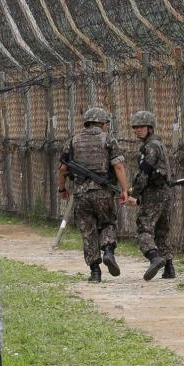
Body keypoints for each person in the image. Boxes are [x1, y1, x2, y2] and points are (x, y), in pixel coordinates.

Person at [58, 106, 131, 283]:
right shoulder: (108, 140)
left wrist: (62, 189)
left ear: (87, 123)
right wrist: (125, 190)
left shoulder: (72, 141)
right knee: (108, 223)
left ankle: (95, 272)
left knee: (88, 230)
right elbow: (118, 166)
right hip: (103, 192)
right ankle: (107, 251)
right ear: (102, 124)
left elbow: (62, 168)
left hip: (81, 194)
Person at [128, 110, 175, 281]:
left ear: (150, 127)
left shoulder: (151, 146)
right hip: (164, 192)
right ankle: (169, 267)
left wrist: (134, 193)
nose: (137, 130)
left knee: (144, 227)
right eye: (136, 127)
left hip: (154, 192)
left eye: (141, 127)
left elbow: (144, 173)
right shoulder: (158, 144)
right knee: (161, 230)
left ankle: (154, 257)